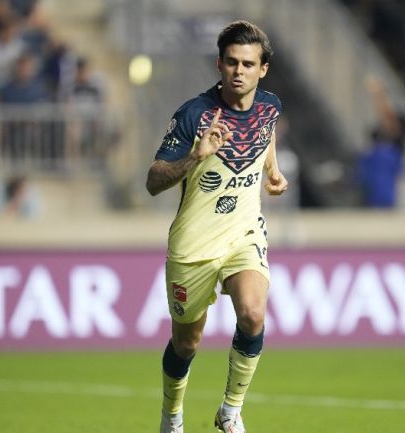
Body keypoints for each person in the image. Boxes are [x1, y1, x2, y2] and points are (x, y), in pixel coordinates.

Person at [145, 20, 287, 433]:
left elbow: (267, 131)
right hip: (194, 246)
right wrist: (196, 155)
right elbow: (153, 181)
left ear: (262, 70)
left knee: (253, 314)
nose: (238, 71)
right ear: (219, 64)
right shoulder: (194, 114)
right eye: (230, 62)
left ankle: (230, 411)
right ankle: (172, 416)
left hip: (243, 234)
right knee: (187, 342)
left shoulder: (271, 105)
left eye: (247, 64)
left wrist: (272, 171)